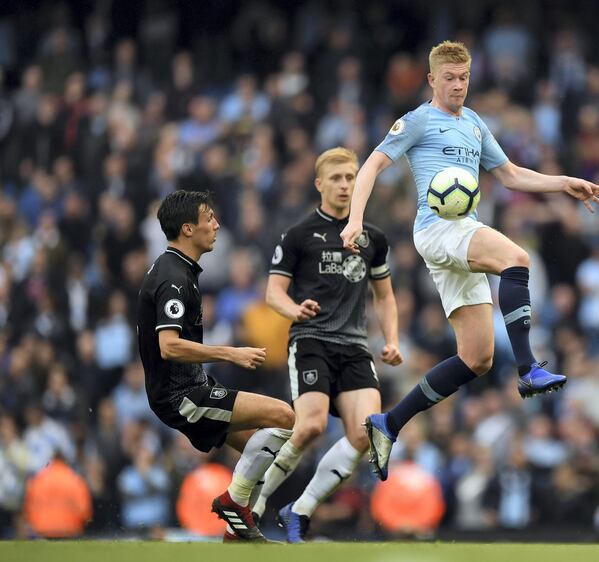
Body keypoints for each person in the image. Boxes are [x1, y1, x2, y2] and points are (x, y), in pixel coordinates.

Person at [339, 41, 599, 480]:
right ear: (432, 80)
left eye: (464, 77)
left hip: (460, 234)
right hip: (438, 229)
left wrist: (564, 182)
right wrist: (355, 219)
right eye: (449, 78)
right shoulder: (416, 121)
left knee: (477, 358)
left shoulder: (475, 124)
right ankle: (528, 369)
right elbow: (370, 166)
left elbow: (510, 175)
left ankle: (388, 423)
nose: (458, 85)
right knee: (517, 257)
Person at [252, 147, 402, 542]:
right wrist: (294, 309)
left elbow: (384, 296)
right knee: (311, 427)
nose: (345, 185)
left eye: (351, 177)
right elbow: (273, 293)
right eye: (336, 178)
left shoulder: (373, 238)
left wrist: (392, 339)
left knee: (363, 435)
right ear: (319, 184)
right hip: (312, 338)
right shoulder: (299, 235)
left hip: (354, 346)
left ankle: (299, 509)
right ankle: (254, 503)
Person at [136, 190, 295, 542]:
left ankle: (235, 535)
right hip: (183, 394)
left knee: (260, 455)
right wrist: (231, 353)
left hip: (188, 388)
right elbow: (168, 346)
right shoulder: (173, 277)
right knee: (284, 416)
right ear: (188, 228)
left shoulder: (181, 270)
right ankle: (232, 504)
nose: (217, 225)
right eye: (209, 218)